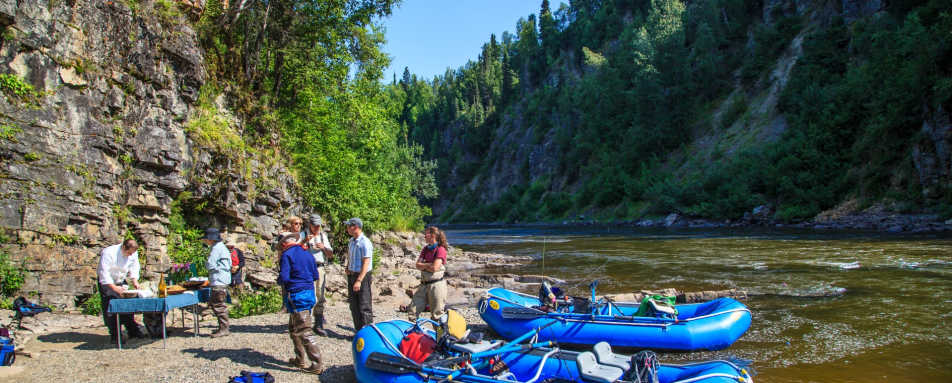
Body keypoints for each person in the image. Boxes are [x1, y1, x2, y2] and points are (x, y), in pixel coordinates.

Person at [277, 232, 323, 374]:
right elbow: (315, 275)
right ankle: (299, 359)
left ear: (284, 244)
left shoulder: (287, 255)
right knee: (293, 327)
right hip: (309, 292)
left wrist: (279, 281)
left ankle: (317, 364)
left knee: (303, 330)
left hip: (297, 294)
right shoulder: (308, 254)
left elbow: (284, 277)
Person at [97, 238, 146, 340]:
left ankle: (133, 331)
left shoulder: (133, 253)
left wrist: (135, 281)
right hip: (108, 282)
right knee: (111, 307)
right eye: (129, 253)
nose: (131, 255)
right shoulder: (108, 253)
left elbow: (134, 266)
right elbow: (104, 274)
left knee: (127, 305)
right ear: (123, 247)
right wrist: (114, 288)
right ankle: (115, 335)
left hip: (121, 280)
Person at [409, 226, 449, 321]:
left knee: (437, 315)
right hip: (423, 285)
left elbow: (435, 268)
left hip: (437, 285)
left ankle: (440, 335)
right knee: (413, 311)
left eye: (426, 234)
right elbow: (417, 265)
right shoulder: (425, 249)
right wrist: (429, 264)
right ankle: (413, 332)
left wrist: (424, 265)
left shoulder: (441, 249)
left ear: (433, 235)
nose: (424, 236)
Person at [304, 213, 334, 336]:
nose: (317, 228)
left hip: (320, 267)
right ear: (310, 225)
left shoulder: (323, 236)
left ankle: (318, 324)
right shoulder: (304, 235)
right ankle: (306, 324)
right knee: (307, 295)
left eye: (318, 226)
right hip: (306, 268)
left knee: (320, 295)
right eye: (315, 225)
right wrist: (304, 243)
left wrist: (323, 248)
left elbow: (330, 254)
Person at [201, 228, 231, 337]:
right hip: (223, 279)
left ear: (210, 239)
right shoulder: (222, 247)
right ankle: (223, 328)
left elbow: (210, 264)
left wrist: (208, 266)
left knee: (218, 304)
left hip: (218, 279)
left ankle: (224, 329)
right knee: (219, 303)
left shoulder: (216, 249)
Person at [345, 217, 373, 332]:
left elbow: (366, 262)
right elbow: (350, 256)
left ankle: (367, 334)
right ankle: (358, 332)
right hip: (352, 275)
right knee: (354, 305)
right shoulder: (351, 241)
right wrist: (348, 267)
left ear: (355, 227)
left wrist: (359, 280)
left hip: (362, 276)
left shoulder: (365, 242)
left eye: (348, 226)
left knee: (364, 305)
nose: (347, 228)